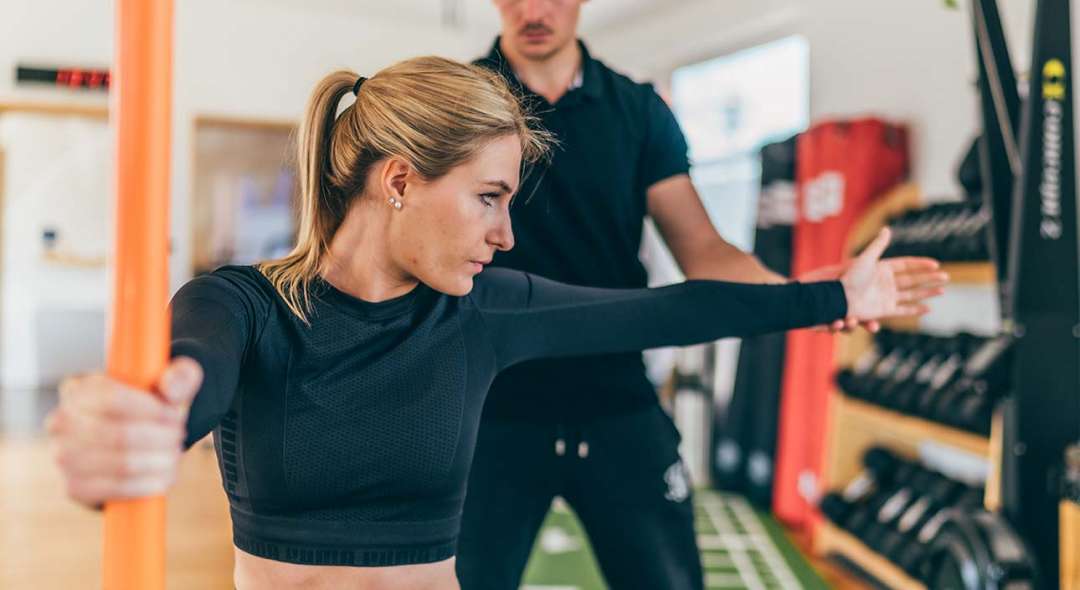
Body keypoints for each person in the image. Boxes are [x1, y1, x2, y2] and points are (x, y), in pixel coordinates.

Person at [47, 55, 933, 590]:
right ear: (400, 180)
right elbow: (186, 376)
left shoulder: (483, 313)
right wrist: (138, 426)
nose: (506, 233)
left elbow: (672, 308)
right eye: (488, 198)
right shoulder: (243, 306)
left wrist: (832, 297)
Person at [457, 2, 948, 589]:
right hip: (489, 404)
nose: (534, 9)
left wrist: (806, 297)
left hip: (614, 396)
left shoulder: (637, 109)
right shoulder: (463, 102)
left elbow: (703, 249)